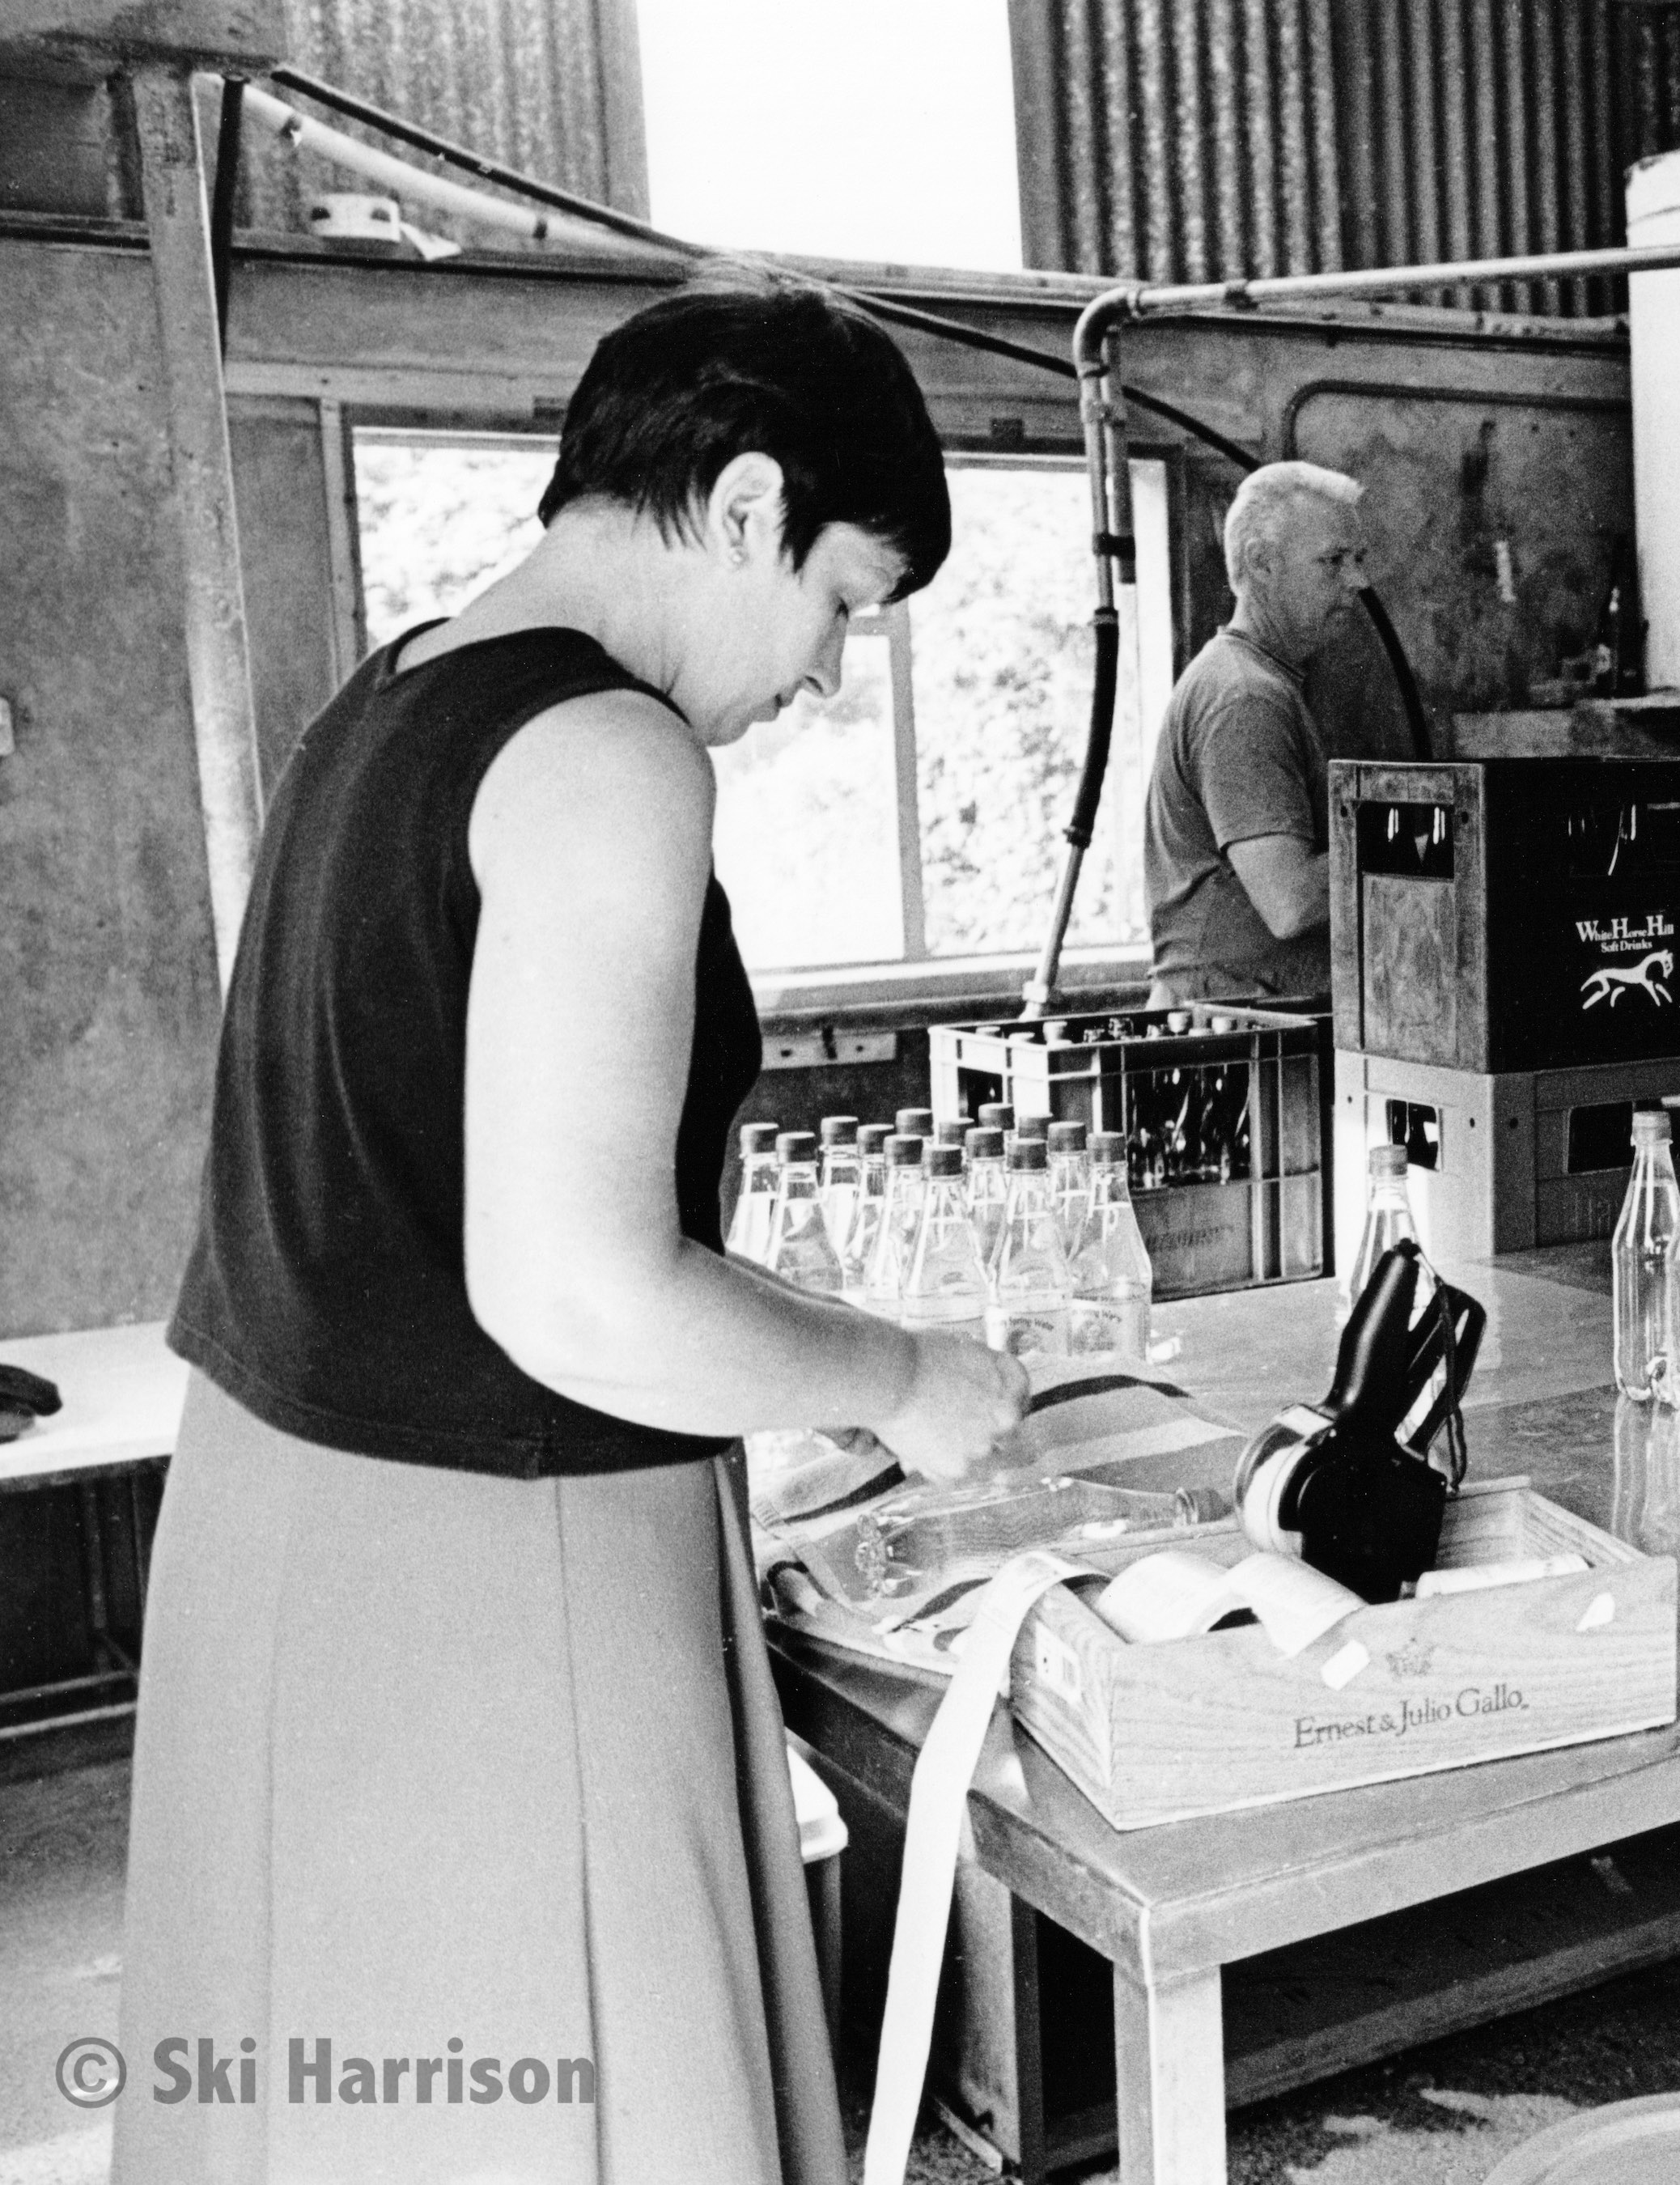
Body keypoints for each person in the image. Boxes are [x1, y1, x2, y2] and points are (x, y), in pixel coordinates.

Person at [115, 275, 1027, 2185]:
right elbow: (578, 1289)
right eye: (845, 605)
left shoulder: (391, 698)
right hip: (483, 1563)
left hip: (274, 1525)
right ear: (751, 503)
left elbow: (447, 1202)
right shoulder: (611, 752)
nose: (827, 676)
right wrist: (900, 1373)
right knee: (567, 2091)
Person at [1143, 459, 1372, 1004]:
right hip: (1234, 1037)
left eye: (1358, 559)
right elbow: (1290, 901)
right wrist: (1422, 845)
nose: (1359, 581)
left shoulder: (1259, 680)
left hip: (1249, 1017)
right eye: (1332, 561)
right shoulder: (1245, 697)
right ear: (1261, 563)